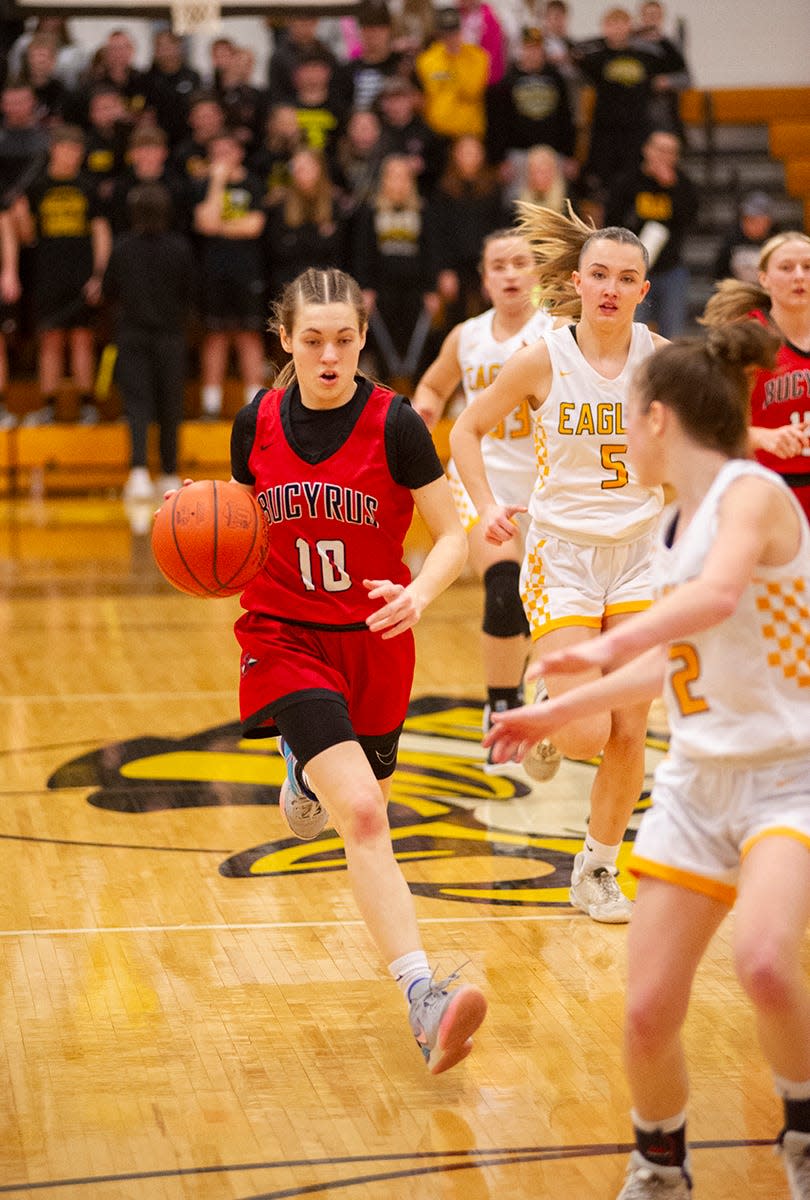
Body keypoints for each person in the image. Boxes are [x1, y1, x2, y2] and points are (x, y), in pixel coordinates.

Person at [484, 320, 810, 1200]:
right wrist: (543, 714)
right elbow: (675, 660)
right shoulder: (674, 524)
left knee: (769, 963)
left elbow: (718, 597)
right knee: (646, 1008)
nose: (618, 435)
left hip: (787, 778)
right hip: (698, 787)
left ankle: (805, 1127)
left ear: (661, 420)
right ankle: (659, 1164)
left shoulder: (748, 494)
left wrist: (600, 649)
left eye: (629, 418)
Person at [225, 265, 486, 1073]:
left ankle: (303, 776)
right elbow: (235, 526)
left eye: (344, 339)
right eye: (312, 340)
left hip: (375, 641)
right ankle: (423, 998)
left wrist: (419, 591)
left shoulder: (396, 425)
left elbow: (454, 535)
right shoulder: (255, 422)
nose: (329, 355)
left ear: (363, 338)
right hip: (283, 636)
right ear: (285, 340)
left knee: (352, 797)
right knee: (366, 816)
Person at [450, 204, 667, 922]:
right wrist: (485, 506)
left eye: (625, 278)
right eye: (599, 274)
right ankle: (549, 709)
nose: (610, 288)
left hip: (638, 559)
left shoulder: (661, 361)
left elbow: (705, 441)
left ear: (643, 288)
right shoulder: (545, 357)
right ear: (576, 280)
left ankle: (597, 870)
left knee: (632, 730)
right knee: (584, 734)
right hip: (564, 556)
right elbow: (467, 428)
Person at [413, 228, 553, 766]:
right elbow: (433, 386)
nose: (512, 273)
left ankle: (546, 692)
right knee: (503, 588)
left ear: (538, 273)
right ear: (484, 277)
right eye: (500, 265)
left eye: (522, 262)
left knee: (551, 605)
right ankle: (501, 708)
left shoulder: (557, 331)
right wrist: (425, 411)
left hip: (550, 487)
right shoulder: (467, 337)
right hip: (482, 482)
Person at [701, 230, 810, 524]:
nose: (799, 276)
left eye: (808, 267)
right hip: (764, 490)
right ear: (764, 278)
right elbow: (710, 429)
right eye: (786, 268)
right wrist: (764, 437)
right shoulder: (745, 339)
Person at [11, 122, 111, 425]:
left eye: (78, 150)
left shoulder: (88, 186)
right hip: (47, 274)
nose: (73, 155)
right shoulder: (37, 186)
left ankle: (86, 405)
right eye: (67, 149)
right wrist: (19, 215)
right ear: (54, 150)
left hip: (81, 274)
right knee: (51, 340)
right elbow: (28, 237)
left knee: (82, 339)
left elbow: (100, 232)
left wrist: (99, 274)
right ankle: (49, 405)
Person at [103, 183, 196, 502]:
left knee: (137, 405)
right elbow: (190, 293)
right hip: (170, 336)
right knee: (171, 404)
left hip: (132, 335)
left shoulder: (122, 247)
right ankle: (169, 472)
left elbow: (108, 291)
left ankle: (139, 472)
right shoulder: (180, 248)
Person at [192, 128, 267, 419]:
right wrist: (218, 181)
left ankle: (256, 406)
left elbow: (254, 226)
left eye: (228, 151)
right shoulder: (204, 186)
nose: (222, 157)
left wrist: (221, 226)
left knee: (249, 334)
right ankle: (211, 405)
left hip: (247, 270)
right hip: (213, 270)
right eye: (217, 152)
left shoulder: (253, 184)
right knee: (216, 336)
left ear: (240, 153)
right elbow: (205, 224)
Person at [351, 153, 438, 388]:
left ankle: (421, 395)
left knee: (417, 342)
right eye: (393, 177)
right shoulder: (371, 212)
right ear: (384, 181)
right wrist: (365, 287)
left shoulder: (422, 211)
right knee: (383, 343)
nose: (398, 183)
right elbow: (363, 251)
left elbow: (431, 251)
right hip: (383, 288)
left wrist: (432, 289)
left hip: (415, 288)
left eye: (403, 177)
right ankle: (383, 392)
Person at [605, 128, 698, 338]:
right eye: (660, 150)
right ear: (647, 150)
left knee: (671, 336)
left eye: (671, 151)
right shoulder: (627, 182)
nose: (665, 156)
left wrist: (671, 187)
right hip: (632, 271)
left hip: (671, 270)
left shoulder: (683, 184)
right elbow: (612, 222)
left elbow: (691, 219)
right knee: (631, 333)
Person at [415, 7, 490, 142]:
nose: (450, 38)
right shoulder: (426, 60)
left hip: (468, 133)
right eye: (446, 34)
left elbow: (472, 91)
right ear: (438, 34)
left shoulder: (478, 57)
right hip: (436, 134)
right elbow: (427, 96)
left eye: (454, 32)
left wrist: (455, 59)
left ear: (461, 30)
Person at [712, 190, 779, 285]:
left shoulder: (779, 245)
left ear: (769, 221)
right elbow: (719, 275)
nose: (751, 225)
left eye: (756, 220)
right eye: (747, 219)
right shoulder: (731, 242)